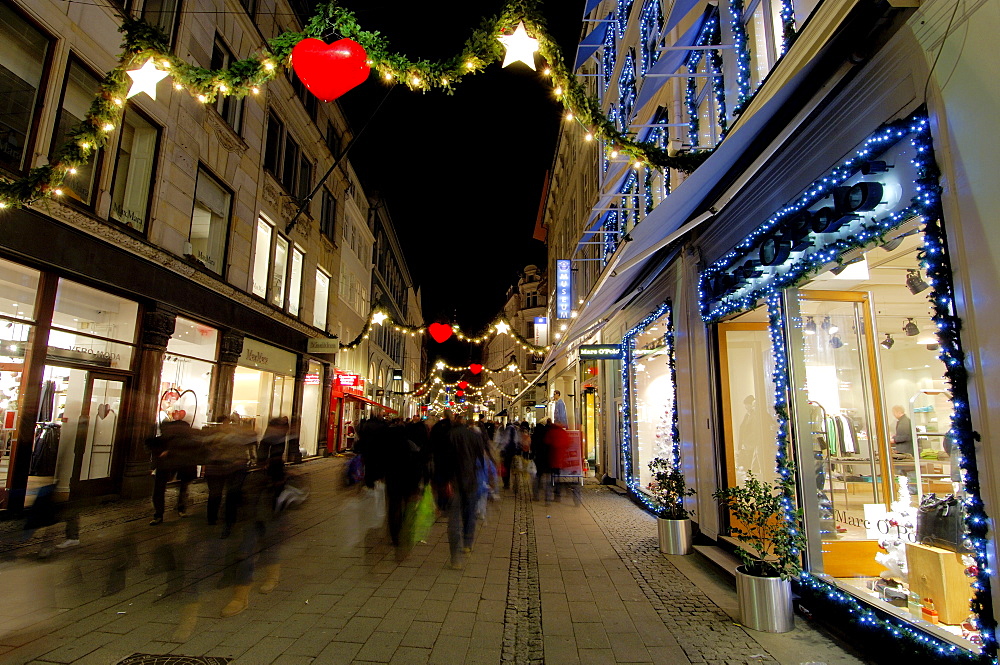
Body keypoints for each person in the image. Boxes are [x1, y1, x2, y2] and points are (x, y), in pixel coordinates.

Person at [148, 419, 200, 525]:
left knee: (175, 488)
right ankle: (166, 512)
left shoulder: (181, 438)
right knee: (166, 489)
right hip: (169, 465)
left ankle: (162, 513)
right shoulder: (169, 438)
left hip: (178, 464)